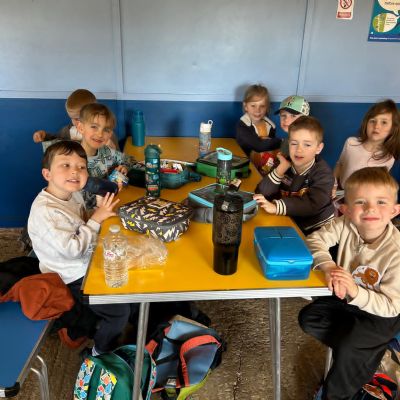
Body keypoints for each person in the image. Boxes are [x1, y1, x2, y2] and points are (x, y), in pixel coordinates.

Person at [298, 167, 400, 400]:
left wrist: (355, 291)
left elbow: (392, 306)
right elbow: (314, 240)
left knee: (350, 349)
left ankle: (336, 393)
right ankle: (371, 353)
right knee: (309, 318)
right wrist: (328, 266)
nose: (371, 208)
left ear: (395, 211)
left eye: (381, 202)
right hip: (348, 301)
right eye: (361, 202)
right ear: (346, 209)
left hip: (382, 313)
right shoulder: (344, 223)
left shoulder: (396, 251)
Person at [27, 140, 136, 355]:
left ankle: (131, 323)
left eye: (81, 167)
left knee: (131, 278)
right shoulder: (46, 212)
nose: (75, 171)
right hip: (70, 276)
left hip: (85, 260)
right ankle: (100, 352)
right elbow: (72, 250)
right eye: (65, 165)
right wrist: (96, 219)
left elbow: (79, 221)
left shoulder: (71, 193)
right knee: (119, 312)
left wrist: (97, 210)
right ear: (47, 174)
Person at [254, 115, 335, 234]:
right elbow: (262, 193)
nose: (299, 150)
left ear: (318, 148)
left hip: (318, 228)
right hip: (292, 222)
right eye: (294, 143)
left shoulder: (323, 174)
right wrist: (280, 170)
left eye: (307, 144)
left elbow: (313, 204)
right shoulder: (284, 163)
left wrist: (277, 207)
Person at [77, 103, 136, 209]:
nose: (100, 134)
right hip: (85, 214)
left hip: (108, 205)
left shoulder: (106, 152)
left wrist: (124, 167)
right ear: (81, 127)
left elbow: (130, 160)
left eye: (106, 130)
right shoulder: (72, 158)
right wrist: (109, 188)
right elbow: (80, 198)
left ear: (110, 134)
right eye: (94, 127)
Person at [334, 99, 400, 192]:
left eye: (384, 122)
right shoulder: (351, 143)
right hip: (340, 191)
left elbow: (377, 185)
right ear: (366, 123)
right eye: (372, 121)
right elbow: (340, 165)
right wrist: (334, 184)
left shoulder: (388, 158)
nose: (376, 126)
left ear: (393, 128)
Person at [32, 88, 119, 149]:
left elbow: (119, 159)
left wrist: (112, 148)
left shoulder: (106, 133)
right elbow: (57, 140)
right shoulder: (68, 131)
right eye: (73, 118)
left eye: (79, 119)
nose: (76, 122)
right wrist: (45, 137)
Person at [235, 84, 282, 174]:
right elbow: (259, 146)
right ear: (246, 106)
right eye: (253, 106)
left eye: (262, 106)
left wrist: (269, 143)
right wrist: (282, 142)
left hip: (266, 167)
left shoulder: (270, 125)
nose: (257, 110)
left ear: (267, 107)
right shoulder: (242, 126)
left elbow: (270, 147)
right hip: (246, 169)